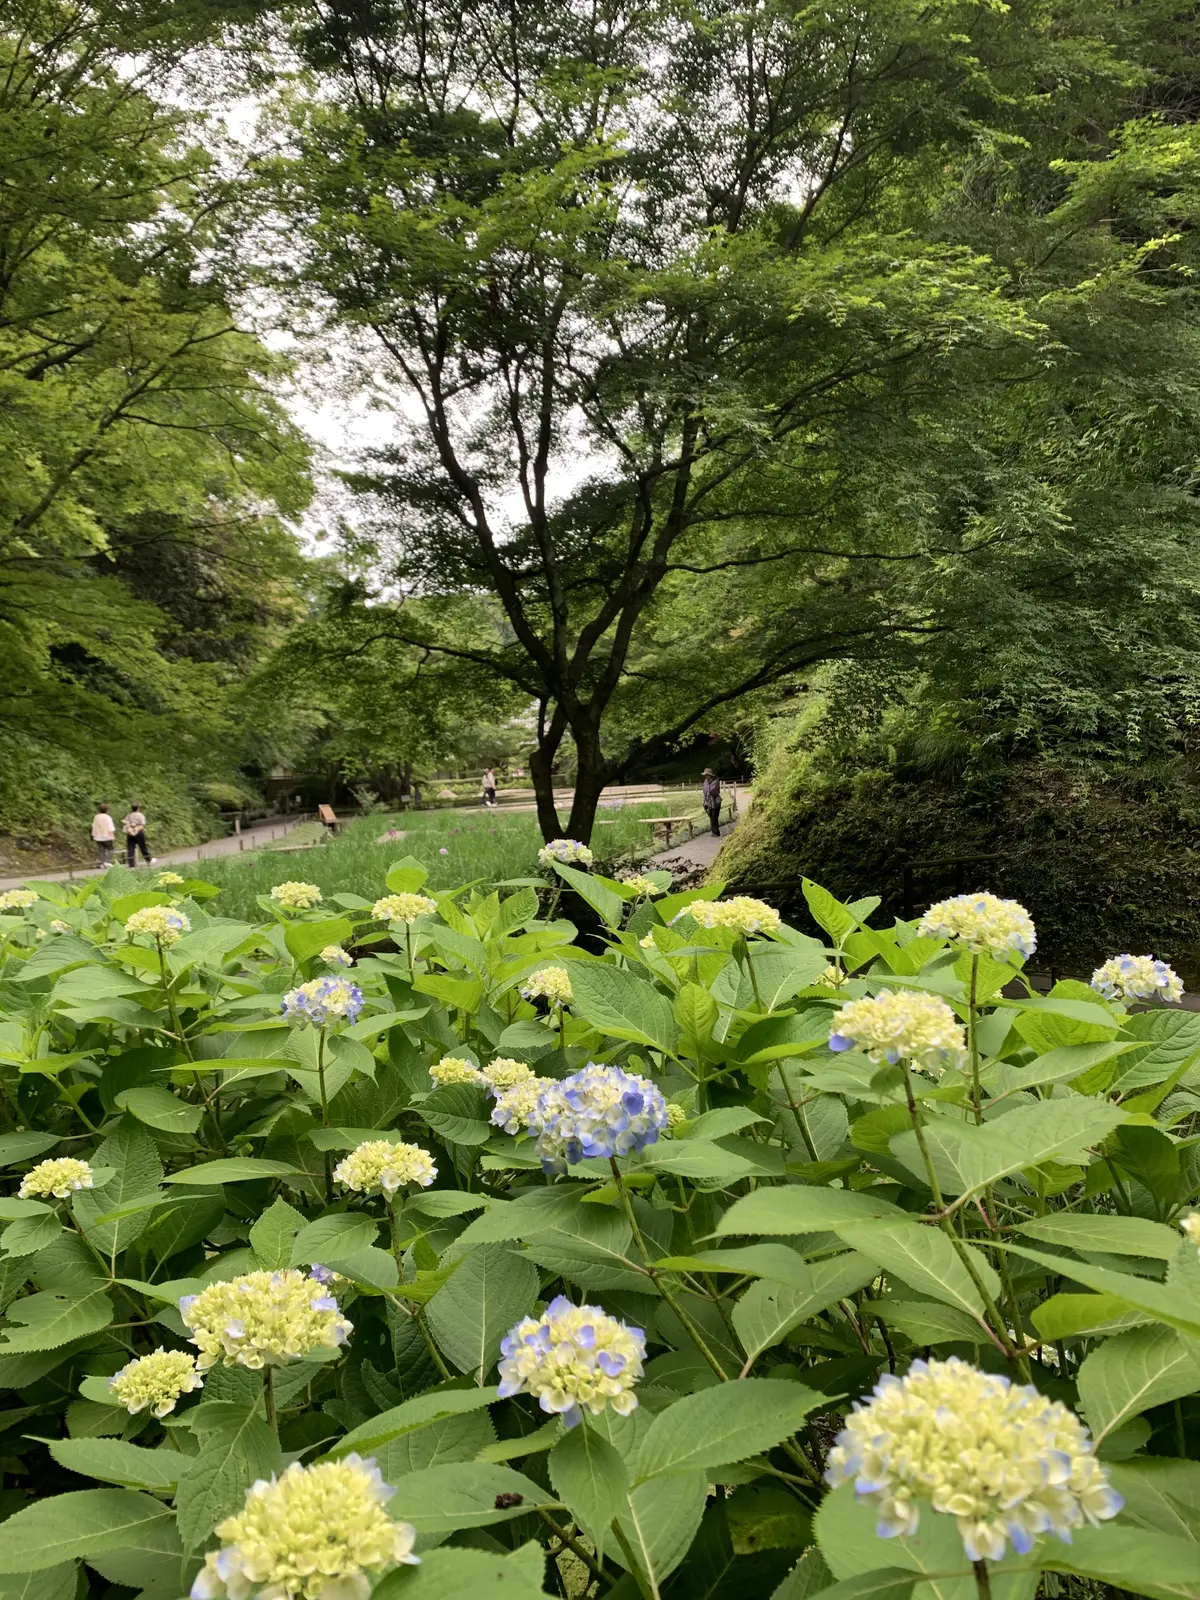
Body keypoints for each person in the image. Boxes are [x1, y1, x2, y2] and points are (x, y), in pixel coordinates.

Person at [122, 802, 154, 867]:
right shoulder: (140, 815)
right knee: (143, 847)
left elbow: (126, 822)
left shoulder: (129, 815)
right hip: (139, 832)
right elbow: (142, 824)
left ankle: (131, 864)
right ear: (138, 808)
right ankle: (148, 860)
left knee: (130, 848)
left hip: (130, 832)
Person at [701, 767, 723, 836]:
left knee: (714, 817)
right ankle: (714, 831)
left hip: (715, 802)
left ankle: (716, 832)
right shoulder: (705, 782)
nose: (705, 776)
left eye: (707, 775)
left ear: (710, 775)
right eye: (705, 775)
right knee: (711, 817)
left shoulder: (715, 782)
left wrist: (708, 789)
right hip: (709, 803)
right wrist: (704, 802)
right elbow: (704, 793)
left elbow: (712, 791)